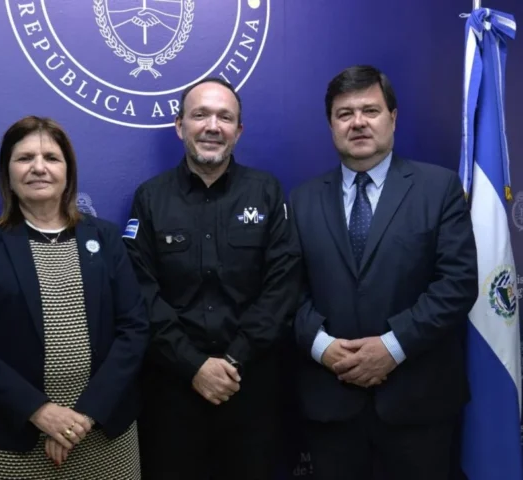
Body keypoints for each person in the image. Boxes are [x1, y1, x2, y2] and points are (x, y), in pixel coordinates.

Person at [289, 65, 478, 480]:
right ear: (331, 124)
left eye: (370, 110)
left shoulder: (439, 188)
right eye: (345, 113)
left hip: (418, 406)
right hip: (331, 406)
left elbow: (457, 285)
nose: (358, 122)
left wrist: (391, 348)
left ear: (393, 117)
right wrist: (323, 347)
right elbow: (286, 293)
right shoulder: (300, 201)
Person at [0, 116, 149, 479]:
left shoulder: (104, 237)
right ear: (7, 172)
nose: (38, 168)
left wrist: (84, 416)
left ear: (68, 170)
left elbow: (133, 329)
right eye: (24, 158)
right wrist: (40, 411)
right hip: (16, 439)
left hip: (103, 435)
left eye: (51, 158)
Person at [122, 77, 300, 480]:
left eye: (225, 116)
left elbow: (283, 287)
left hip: (251, 387)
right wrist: (194, 365)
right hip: (173, 391)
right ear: (179, 125)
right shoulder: (149, 198)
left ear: (239, 130)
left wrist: (232, 360)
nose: (212, 125)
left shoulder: (267, 192)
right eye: (200, 114)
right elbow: (140, 291)